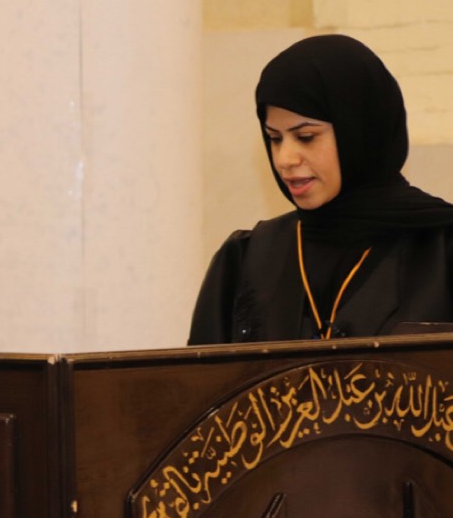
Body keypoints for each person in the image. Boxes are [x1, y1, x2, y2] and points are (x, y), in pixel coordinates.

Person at [189, 33, 453, 345]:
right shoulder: (245, 261)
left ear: (360, 131)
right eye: (275, 138)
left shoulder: (442, 251)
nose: (285, 159)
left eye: (306, 137)